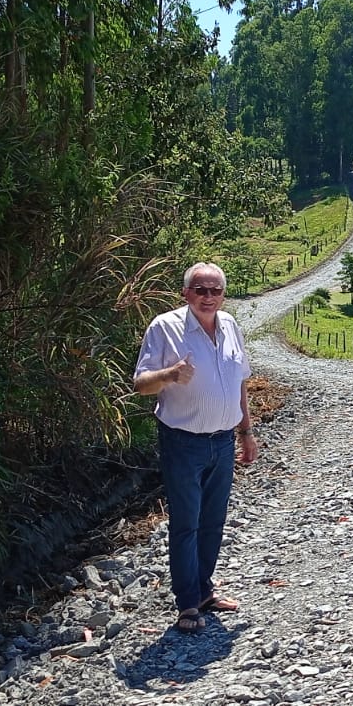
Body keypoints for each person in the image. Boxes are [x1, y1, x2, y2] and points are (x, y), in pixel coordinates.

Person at [133, 262, 258, 633]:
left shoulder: (231, 326)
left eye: (215, 290)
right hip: (183, 442)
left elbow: (240, 383)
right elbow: (141, 384)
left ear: (223, 294)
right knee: (186, 525)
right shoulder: (165, 327)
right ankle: (187, 603)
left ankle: (204, 590)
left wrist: (246, 432)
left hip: (222, 441)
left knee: (213, 522)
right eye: (200, 290)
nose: (208, 297)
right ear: (185, 293)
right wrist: (170, 375)